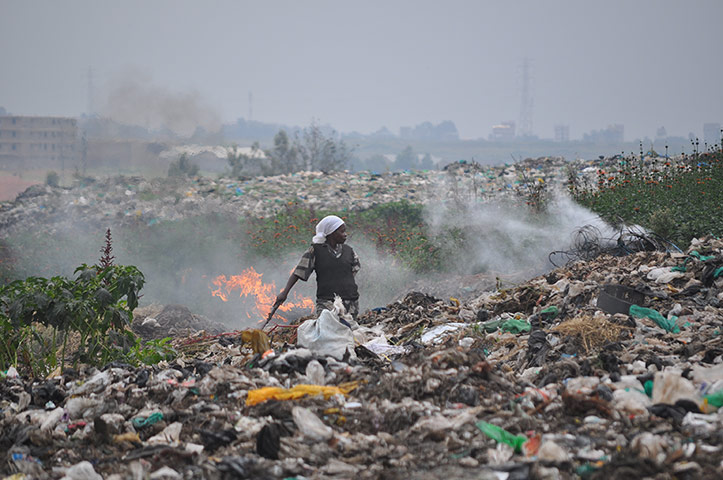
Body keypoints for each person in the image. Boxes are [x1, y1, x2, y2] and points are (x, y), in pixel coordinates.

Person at [268, 215, 360, 324]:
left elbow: (353, 271)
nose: (345, 235)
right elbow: (298, 272)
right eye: (342, 232)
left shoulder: (349, 251)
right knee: (328, 329)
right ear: (331, 233)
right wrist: (284, 293)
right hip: (327, 302)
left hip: (350, 302)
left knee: (348, 331)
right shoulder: (315, 251)